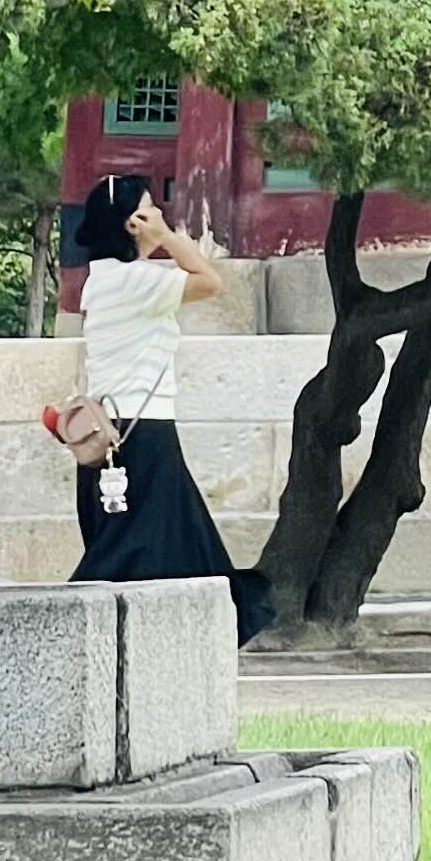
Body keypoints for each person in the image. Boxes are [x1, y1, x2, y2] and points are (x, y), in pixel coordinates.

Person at [47, 173, 272, 643]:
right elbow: (210, 281)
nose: (160, 215)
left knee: (154, 541)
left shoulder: (102, 280)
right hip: (142, 434)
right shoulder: (136, 282)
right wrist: (167, 237)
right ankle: (63, 630)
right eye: (151, 208)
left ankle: (163, 638)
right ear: (133, 222)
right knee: (142, 547)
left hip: (111, 433)